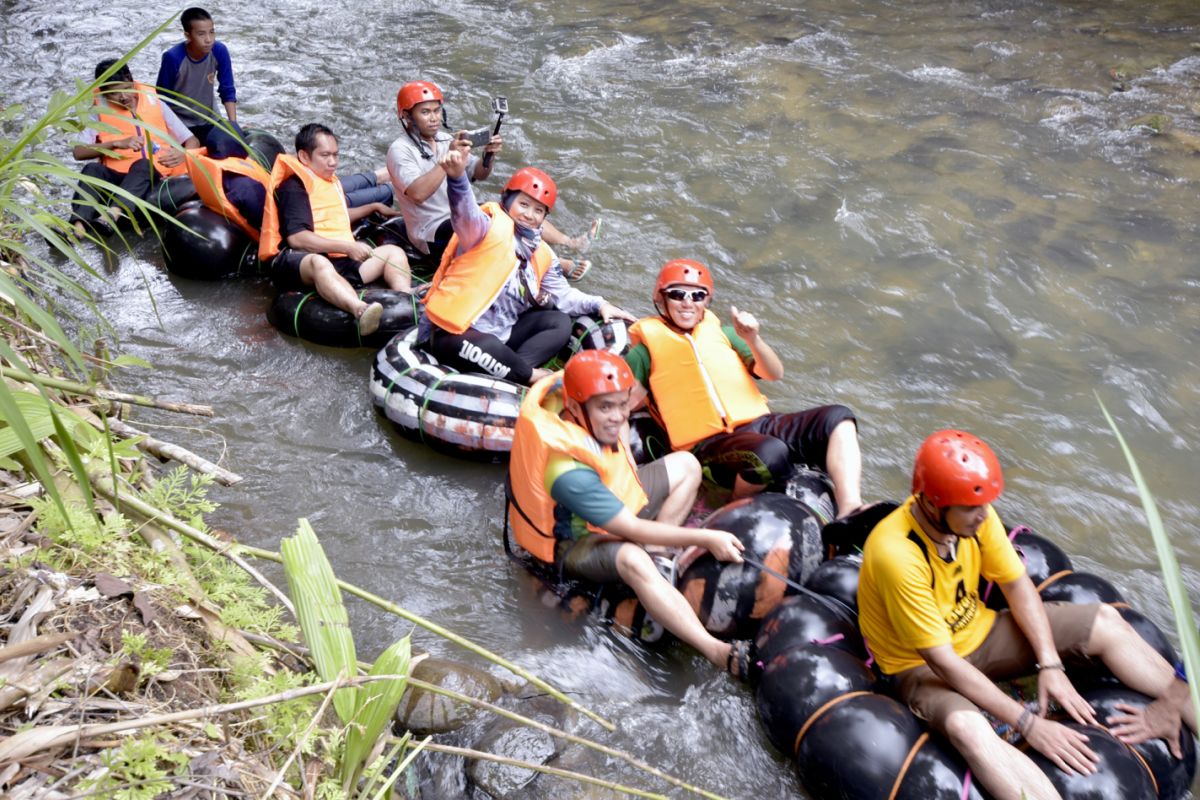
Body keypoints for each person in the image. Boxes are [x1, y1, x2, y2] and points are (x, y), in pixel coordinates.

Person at [856, 429, 1196, 800]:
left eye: (985, 505)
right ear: (934, 505)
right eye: (971, 508)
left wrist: (1050, 664)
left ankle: (1186, 712)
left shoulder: (975, 518)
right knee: (968, 729)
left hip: (978, 630)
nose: (983, 517)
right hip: (919, 666)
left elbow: (1017, 586)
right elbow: (944, 662)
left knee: (1106, 623)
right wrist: (1028, 723)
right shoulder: (897, 555)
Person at [507, 349, 758, 678]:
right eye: (605, 407)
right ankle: (717, 652)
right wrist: (707, 538)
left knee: (687, 465)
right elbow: (630, 528)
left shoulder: (577, 406)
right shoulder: (567, 471)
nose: (617, 416)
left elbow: (618, 439)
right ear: (574, 408)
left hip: (612, 496)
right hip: (571, 542)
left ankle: (657, 557)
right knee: (631, 558)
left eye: (622, 404)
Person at [625, 259, 865, 513]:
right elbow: (623, 406)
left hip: (760, 424)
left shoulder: (726, 334)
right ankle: (729, 509)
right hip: (708, 446)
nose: (688, 302)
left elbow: (773, 373)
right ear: (661, 298)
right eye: (677, 294)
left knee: (838, 417)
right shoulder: (644, 353)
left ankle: (850, 508)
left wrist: (753, 339)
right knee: (770, 453)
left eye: (697, 295)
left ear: (707, 301)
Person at [417, 152, 634, 386]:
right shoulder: (482, 228)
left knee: (558, 322)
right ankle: (527, 375)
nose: (529, 215)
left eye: (539, 210)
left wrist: (601, 303)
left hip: (503, 335)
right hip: (458, 336)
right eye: (523, 204)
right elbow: (464, 213)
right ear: (507, 201)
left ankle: (512, 374)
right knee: (483, 345)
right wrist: (458, 178)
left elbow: (564, 295)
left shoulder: (543, 253)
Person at [385, 80, 590, 274]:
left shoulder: (445, 139)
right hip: (431, 230)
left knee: (514, 210)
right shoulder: (400, 149)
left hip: (462, 213)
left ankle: (569, 242)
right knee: (497, 227)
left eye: (437, 111)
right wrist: (448, 157)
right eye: (425, 112)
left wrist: (488, 156)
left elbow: (480, 174)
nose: (434, 118)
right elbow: (418, 193)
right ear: (407, 116)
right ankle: (554, 264)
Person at [259, 124, 411, 335]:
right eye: (325, 155)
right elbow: (297, 238)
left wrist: (372, 207)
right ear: (304, 156)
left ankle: (408, 299)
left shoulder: (330, 181)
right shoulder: (294, 187)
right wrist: (347, 246)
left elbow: (335, 217)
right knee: (319, 262)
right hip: (303, 261)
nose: (333, 162)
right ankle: (360, 310)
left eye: (336, 155)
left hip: (339, 260)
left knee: (393, 253)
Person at [70, 59, 201, 237]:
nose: (123, 96)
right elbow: (78, 152)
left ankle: (112, 215)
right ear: (104, 94)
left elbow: (192, 140)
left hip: (154, 178)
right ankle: (77, 228)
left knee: (143, 164)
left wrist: (184, 153)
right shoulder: (98, 111)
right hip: (118, 180)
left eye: (125, 88)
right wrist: (115, 144)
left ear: (131, 81)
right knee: (92, 169)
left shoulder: (155, 103)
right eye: (114, 93)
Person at [155, 7, 237, 146]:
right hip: (181, 123)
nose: (209, 39)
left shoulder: (219, 50)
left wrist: (234, 125)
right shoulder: (173, 58)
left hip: (210, 119)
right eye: (201, 34)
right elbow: (162, 99)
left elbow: (227, 89)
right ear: (188, 35)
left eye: (212, 32)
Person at [186, 122, 269, 238]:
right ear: (240, 145)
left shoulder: (204, 167)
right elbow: (265, 219)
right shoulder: (247, 185)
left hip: (220, 221)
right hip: (249, 233)